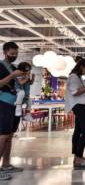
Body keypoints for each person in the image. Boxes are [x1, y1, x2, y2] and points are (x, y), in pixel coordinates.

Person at [0, 42, 26, 181]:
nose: (14, 56)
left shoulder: (12, 67)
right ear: (5, 52)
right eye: (11, 54)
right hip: (3, 103)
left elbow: (15, 85)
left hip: (13, 104)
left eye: (16, 54)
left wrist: (25, 80)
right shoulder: (1, 65)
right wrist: (12, 76)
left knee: (9, 135)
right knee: (3, 135)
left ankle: (6, 164)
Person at [65, 58, 85, 169]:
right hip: (79, 106)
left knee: (78, 130)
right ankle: (78, 157)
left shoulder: (78, 77)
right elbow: (75, 92)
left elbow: (79, 90)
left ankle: (78, 156)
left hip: (81, 105)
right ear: (81, 66)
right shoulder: (73, 77)